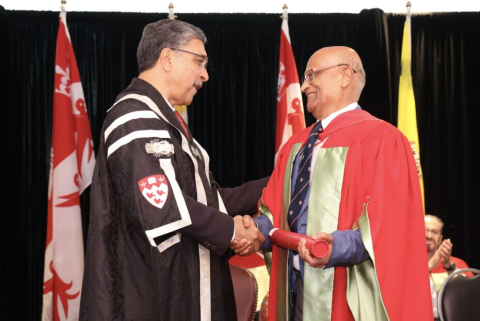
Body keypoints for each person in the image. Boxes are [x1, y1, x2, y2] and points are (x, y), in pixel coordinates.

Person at [80, 19, 267, 320]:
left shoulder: (161, 120)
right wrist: (233, 231)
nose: (205, 75)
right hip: (146, 298)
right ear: (167, 58)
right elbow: (163, 204)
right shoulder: (133, 118)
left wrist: (279, 183)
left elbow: (208, 202)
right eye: (199, 62)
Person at [232, 46, 433, 320]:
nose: (304, 86)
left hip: (347, 294)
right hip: (293, 291)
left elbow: (390, 227)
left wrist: (332, 247)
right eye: (304, 77)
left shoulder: (383, 139)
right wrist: (254, 230)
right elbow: (276, 215)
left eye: (312, 75)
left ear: (345, 76)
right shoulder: (296, 144)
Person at [425, 214, 471, 320]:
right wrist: (430, 265)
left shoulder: (456, 263)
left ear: (440, 239)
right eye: (425, 230)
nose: (429, 236)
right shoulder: (405, 265)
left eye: (434, 232)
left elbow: (468, 296)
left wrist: (449, 266)